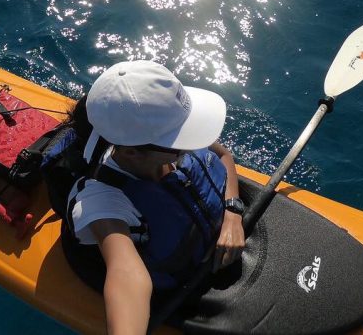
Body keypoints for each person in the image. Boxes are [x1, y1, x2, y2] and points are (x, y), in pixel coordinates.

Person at [64, 60, 246, 335]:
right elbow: (127, 275)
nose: (191, 142)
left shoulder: (158, 136)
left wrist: (233, 213)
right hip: (183, 286)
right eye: (179, 140)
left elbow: (223, 155)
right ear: (132, 153)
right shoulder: (101, 201)